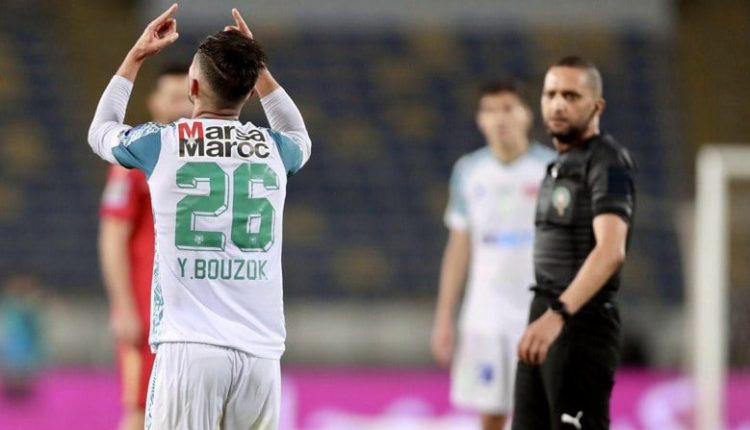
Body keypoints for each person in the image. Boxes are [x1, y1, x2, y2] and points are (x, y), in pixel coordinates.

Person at [87, 5, 311, 429]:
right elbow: (300, 136)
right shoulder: (275, 149)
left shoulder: (162, 144)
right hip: (260, 354)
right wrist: (259, 71)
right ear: (250, 91)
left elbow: (100, 131)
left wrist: (135, 57)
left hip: (188, 348)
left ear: (192, 87)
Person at [512, 56, 636, 430]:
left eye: (571, 95)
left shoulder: (610, 163)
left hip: (580, 323)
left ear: (597, 106)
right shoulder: (557, 166)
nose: (558, 104)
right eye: (550, 94)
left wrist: (559, 315)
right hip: (544, 313)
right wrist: (545, 315)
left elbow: (611, 250)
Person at [432, 81, 554, 430]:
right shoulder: (469, 171)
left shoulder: (553, 168)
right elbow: (459, 246)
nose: (500, 118)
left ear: (527, 115)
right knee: (491, 414)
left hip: (540, 312)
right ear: (480, 119)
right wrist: (444, 316)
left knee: (541, 411)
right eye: (490, 110)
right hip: (485, 314)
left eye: (508, 108)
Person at [98, 64, 191, 430]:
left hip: (192, 312)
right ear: (155, 102)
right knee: (141, 409)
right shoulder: (134, 158)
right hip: (149, 311)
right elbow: (113, 234)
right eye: (174, 98)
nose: (183, 107)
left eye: (189, 98)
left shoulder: (206, 156)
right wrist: (123, 307)